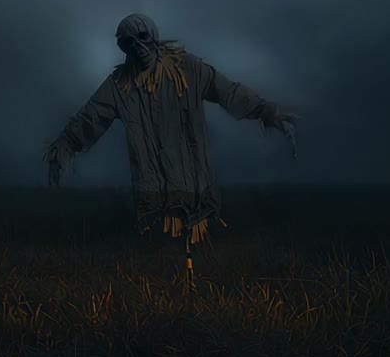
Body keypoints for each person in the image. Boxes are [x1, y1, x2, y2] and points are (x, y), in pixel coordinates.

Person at [44, 13, 299, 247]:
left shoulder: (189, 69)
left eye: (142, 37)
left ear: (153, 35)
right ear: (123, 48)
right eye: (128, 43)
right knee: (161, 258)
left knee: (198, 253)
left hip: (195, 185)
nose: (138, 47)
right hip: (154, 194)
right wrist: (64, 147)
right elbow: (91, 116)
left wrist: (269, 112)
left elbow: (229, 92)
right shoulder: (120, 86)